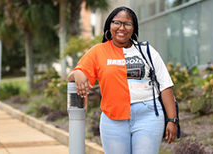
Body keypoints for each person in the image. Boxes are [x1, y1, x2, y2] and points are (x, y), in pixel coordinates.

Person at [68, 6, 177, 154]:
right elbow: (73, 75)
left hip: (148, 115)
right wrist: (79, 73)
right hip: (112, 118)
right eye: (117, 22)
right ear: (109, 25)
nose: (122, 28)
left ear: (134, 27)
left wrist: (172, 120)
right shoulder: (98, 51)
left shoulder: (146, 51)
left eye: (127, 24)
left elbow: (165, 86)